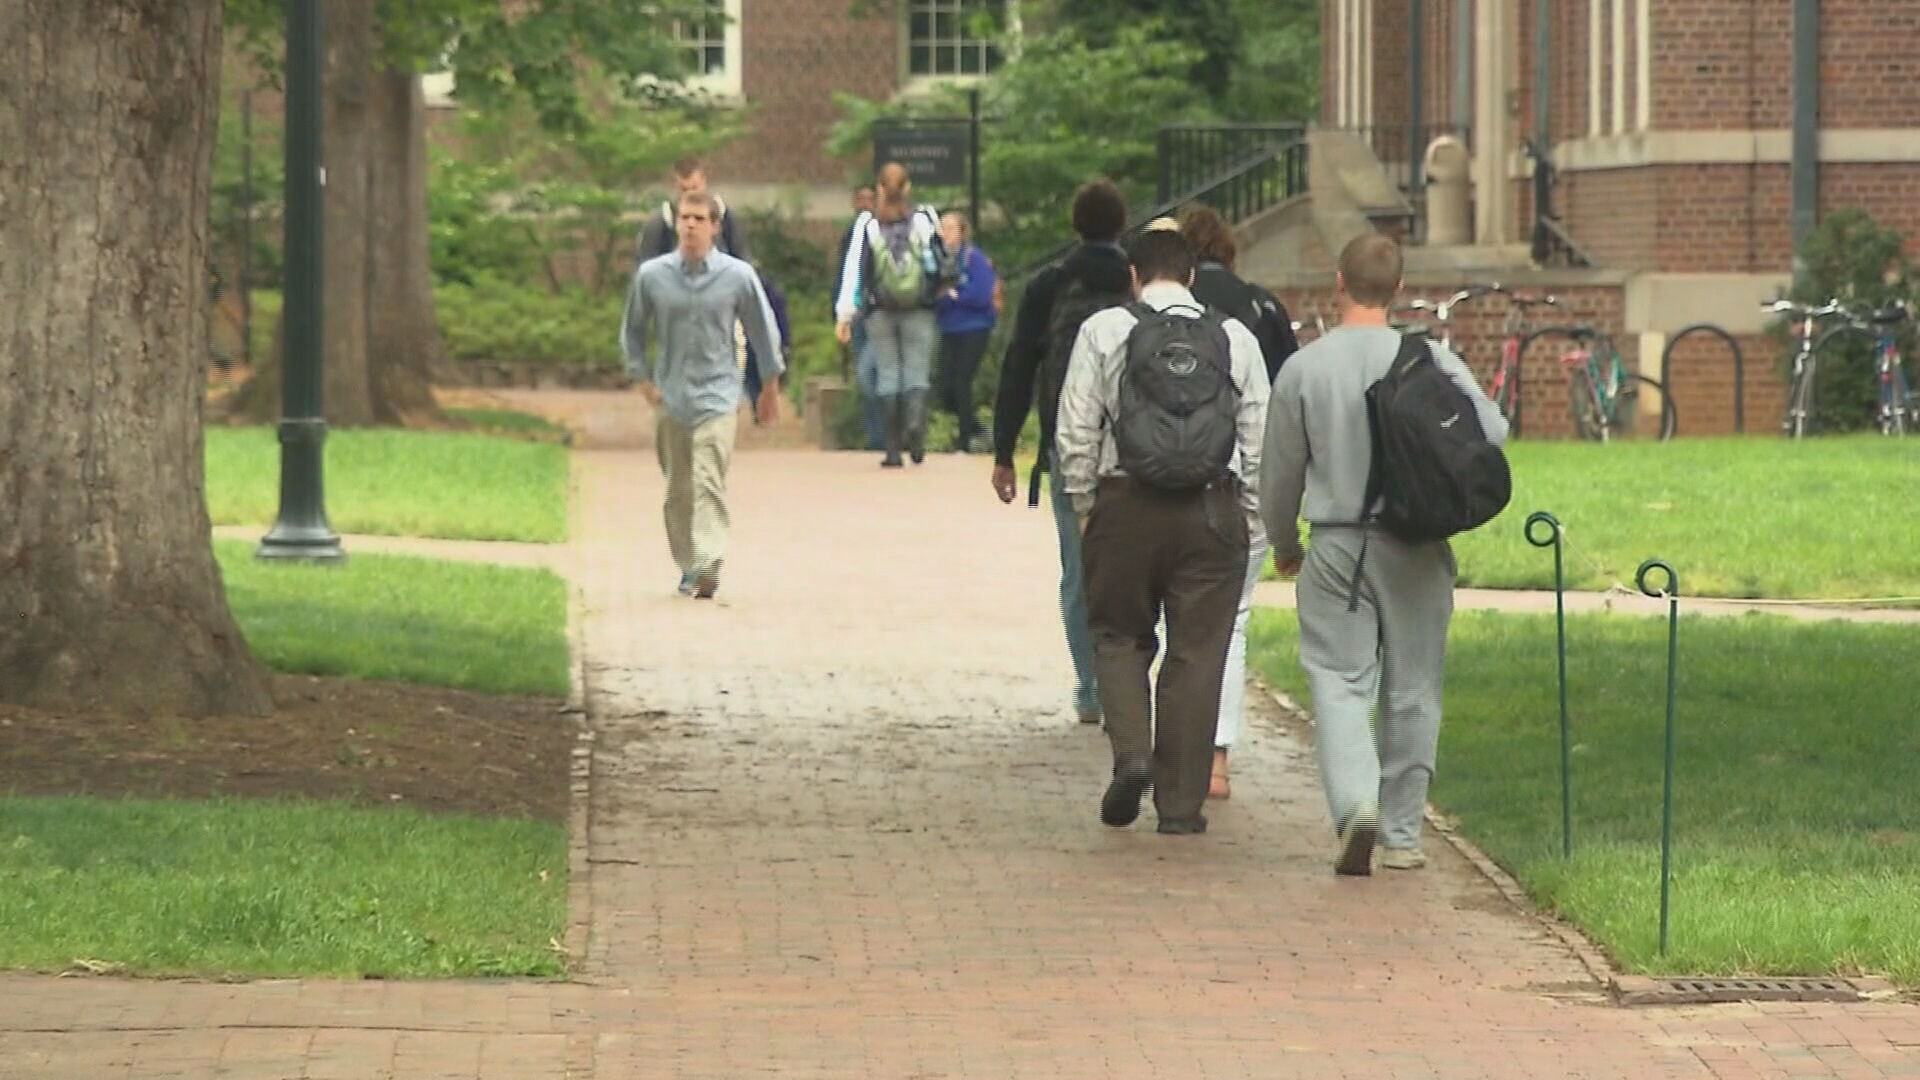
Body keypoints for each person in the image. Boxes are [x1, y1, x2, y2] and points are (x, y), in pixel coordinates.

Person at [1259, 234, 1508, 874]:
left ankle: (1353, 808)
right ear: (1399, 291)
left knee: (1340, 682)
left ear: (1338, 283)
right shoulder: (1430, 359)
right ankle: (1401, 834)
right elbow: (1493, 431)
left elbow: (1279, 474)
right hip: (1419, 542)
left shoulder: (1304, 369)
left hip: (1338, 542)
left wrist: (1285, 545)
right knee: (1415, 688)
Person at [1055, 228, 1270, 836]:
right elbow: (1259, 436)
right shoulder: (1234, 337)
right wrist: (1248, 517)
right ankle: (1179, 805)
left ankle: (1132, 756)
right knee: (1198, 654)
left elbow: (1075, 428)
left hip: (1124, 504)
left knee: (1119, 635)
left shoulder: (1104, 330)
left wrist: (1085, 505)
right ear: (1194, 276)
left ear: (1133, 275)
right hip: (1210, 509)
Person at [989, 179, 1133, 727]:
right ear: (1121, 225)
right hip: (1131, 449)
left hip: (1067, 443)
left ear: (1076, 225)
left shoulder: (1050, 285)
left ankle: (1091, 686)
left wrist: (1004, 450)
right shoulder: (1136, 282)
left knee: (1078, 568)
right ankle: (1131, 677)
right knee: (1131, 567)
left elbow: (1019, 367)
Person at [1178, 205, 1302, 800]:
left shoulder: (1163, 315)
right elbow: (1284, 406)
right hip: (1237, 487)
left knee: (1168, 620)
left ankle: (1168, 745)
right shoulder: (1261, 309)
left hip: (1167, 481)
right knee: (1233, 621)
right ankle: (1216, 757)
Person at [622, 191, 784, 600]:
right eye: (684, 218)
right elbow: (634, 331)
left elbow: (764, 333)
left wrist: (769, 387)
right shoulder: (652, 276)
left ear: (715, 226)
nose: (690, 225)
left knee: (708, 479)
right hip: (671, 395)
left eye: (699, 219)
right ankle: (689, 565)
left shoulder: (738, 277)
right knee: (678, 489)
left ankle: (709, 562)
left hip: (719, 395)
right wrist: (641, 378)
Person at [834, 162, 949, 468]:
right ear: (907, 187)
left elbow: (854, 271)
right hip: (920, 308)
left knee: (887, 374)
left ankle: (893, 450)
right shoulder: (924, 220)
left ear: (879, 189)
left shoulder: (867, 225)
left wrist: (845, 314)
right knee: (917, 371)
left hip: (880, 310)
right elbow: (941, 262)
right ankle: (916, 431)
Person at [934, 212, 998, 453]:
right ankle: (976, 428)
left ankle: (964, 442)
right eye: (942, 228)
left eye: (951, 228)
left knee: (963, 380)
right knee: (945, 384)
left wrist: (953, 295)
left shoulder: (974, 258)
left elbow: (980, 295)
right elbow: (934, 296)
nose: (946, 233)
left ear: (962, 232)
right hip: (949, 327)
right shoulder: (937, 260)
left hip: (974, 327)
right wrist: (951, 296)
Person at [837, 184, 884, 451]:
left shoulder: (887, 230)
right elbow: (846, 275)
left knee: (874, 373)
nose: (866, 204)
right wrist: (842, 313)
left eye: (871, 199)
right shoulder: (852, 235)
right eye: (861, 199)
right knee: (865, 376)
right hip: (858, 314)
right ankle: (874, 436)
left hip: (881, 313)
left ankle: (886, 437)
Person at [636, 156, 750, 264]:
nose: (690, 194)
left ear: (704, 182)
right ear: (675, 186)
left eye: (695, 188)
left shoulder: (727, 218)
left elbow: (743, 260)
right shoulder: (660, 223)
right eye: (684, 189)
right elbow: (645, 267)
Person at [742, 266, 792, 423]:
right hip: (763, 341)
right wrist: (785, 342)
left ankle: (758, 405)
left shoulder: (745, 292)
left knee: (752, 377)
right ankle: (761, 405)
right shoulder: (774, 294)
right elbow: (783, 321)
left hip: (749, 341)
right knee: (756, 376)